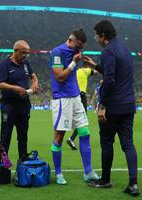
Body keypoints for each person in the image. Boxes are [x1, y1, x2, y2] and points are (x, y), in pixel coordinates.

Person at [84, 20, 140, 196]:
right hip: (128, 105)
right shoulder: (125, 50)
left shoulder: (107, 51)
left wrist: (103, 105)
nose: (96, 38)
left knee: (107, 143)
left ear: (103, 36)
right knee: (128, 144)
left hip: (113, 107)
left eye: (96, 35)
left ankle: (105, 180)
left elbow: (109, 79)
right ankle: (133, 184)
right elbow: (115, 72)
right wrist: (95, 66)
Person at [49, 29, 99, 185]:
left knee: (85, 133)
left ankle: (88, 172)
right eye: (77, 46)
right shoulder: (56, 52)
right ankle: (58, 174)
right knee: (59, 136)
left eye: (81, 47)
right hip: (62, 100)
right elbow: (59, 76)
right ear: (70, 40)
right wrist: (73, 63)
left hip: (76, 97)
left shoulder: (76, 51)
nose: (79, 50)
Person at [0, 40, 39, 160]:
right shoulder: (5, 64)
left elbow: (33, 76)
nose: (26, 55)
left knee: (23, 136)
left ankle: (23, 163)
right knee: (5, 136)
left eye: (27, 53)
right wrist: (15, 88)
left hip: (24, 105)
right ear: (15, 51)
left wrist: (35, 82)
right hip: (9, 106)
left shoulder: (25, 63)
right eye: (23, 52)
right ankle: (3, 164)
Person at [66, 62, 98, 150]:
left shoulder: (76, 72)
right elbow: (96, 72)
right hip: (81, 95)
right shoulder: (86, 70)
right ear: (87, 66)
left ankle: (72, 138)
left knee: (79, 118)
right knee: (83, 119)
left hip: (74, 95)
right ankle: (72, 138)